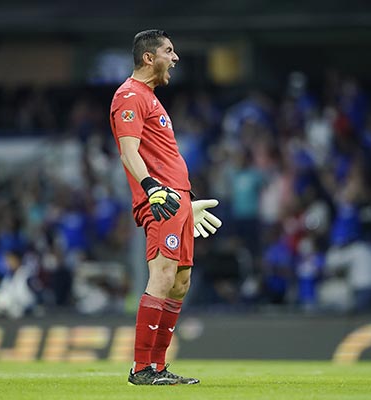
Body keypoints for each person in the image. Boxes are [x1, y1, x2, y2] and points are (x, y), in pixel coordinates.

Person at [109, 29, 221, 386]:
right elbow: (129, 152)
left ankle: (158, 367)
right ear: (148, 57)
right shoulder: (129, 95)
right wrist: (153, 189)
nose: (174, 58)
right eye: (169, 51)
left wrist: (186, 203)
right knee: (162, 276)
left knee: (180, 282)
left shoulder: (150, 98)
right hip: (162, 200)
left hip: (177, 201)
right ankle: (141, 368)